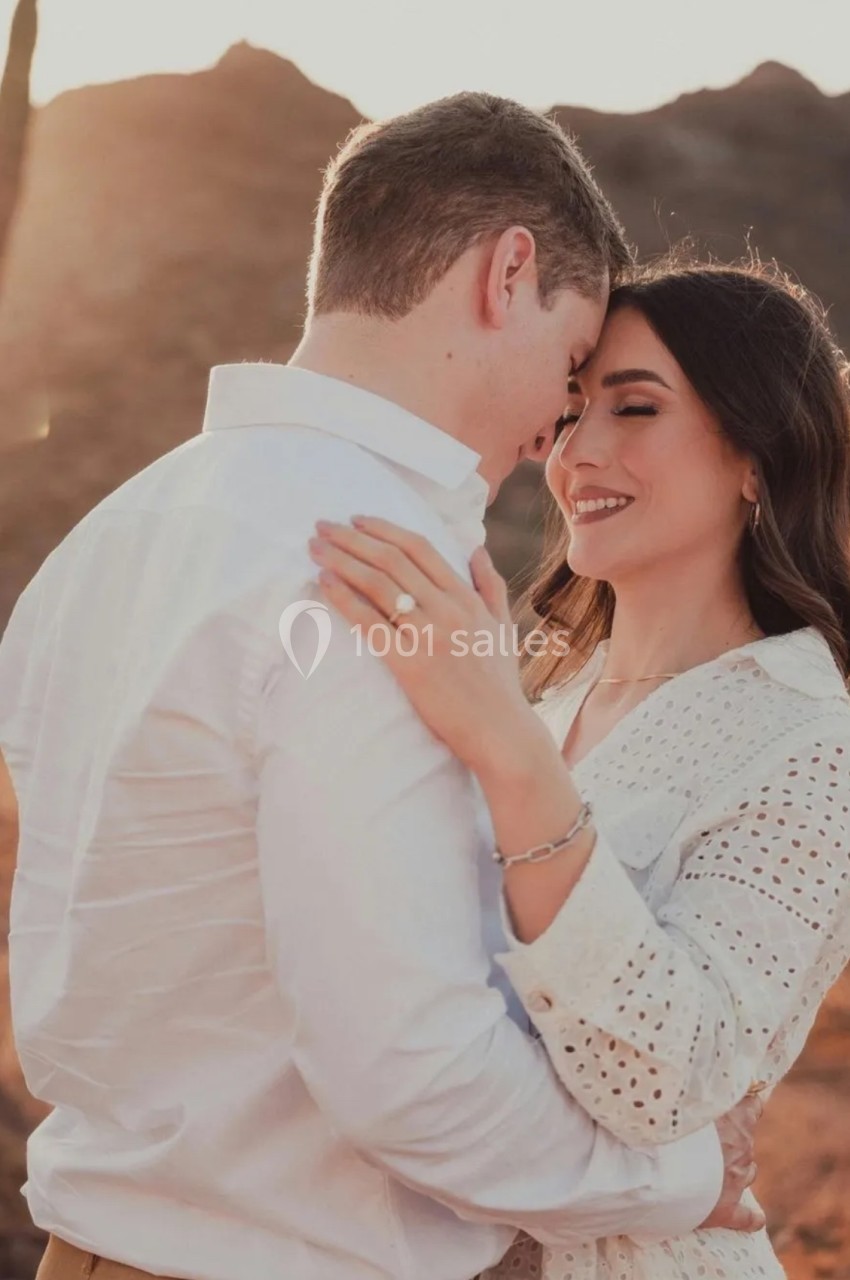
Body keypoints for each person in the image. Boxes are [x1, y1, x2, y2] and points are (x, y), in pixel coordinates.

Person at [0, 95, 760, 1280]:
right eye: (569, 368)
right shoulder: (379, 575)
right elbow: (410, 1069)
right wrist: (680, 1176)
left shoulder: (113, 535)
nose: (557, 430)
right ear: (507, 271)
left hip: (91, 1244)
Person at [308, 259, 850, 1279]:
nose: (576, 455)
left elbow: (668, 1086)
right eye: (567, 417)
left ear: (756, 456)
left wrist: (503, 749)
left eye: (633, 409)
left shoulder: (811, 738)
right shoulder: (545, 694)